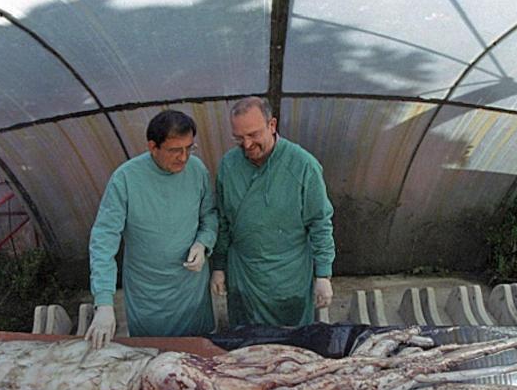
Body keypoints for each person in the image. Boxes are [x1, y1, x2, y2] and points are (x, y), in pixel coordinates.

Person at [85, 110, 218, 348]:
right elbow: (104, 240)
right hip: (149, 295)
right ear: (152, 147)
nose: (184, 157)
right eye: (175, 150)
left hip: (191, 291)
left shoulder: (197, 171)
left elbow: (209, 215)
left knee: (198, 360)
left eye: (189, 148)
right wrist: (104, 302)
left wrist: (203, 243)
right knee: (152, 359)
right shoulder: (125, 179)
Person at [210, 96, 335, 327]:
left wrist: (323, 275)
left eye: (253, 135)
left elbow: (320, 222)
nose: (247, 145)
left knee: (290, 350)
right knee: (245, 347)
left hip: (288, 278)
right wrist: (219, 267)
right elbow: (223, 221)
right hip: (243, 277)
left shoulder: (303, 165)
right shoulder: (229, 165)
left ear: (272, 125)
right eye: (239, 138)